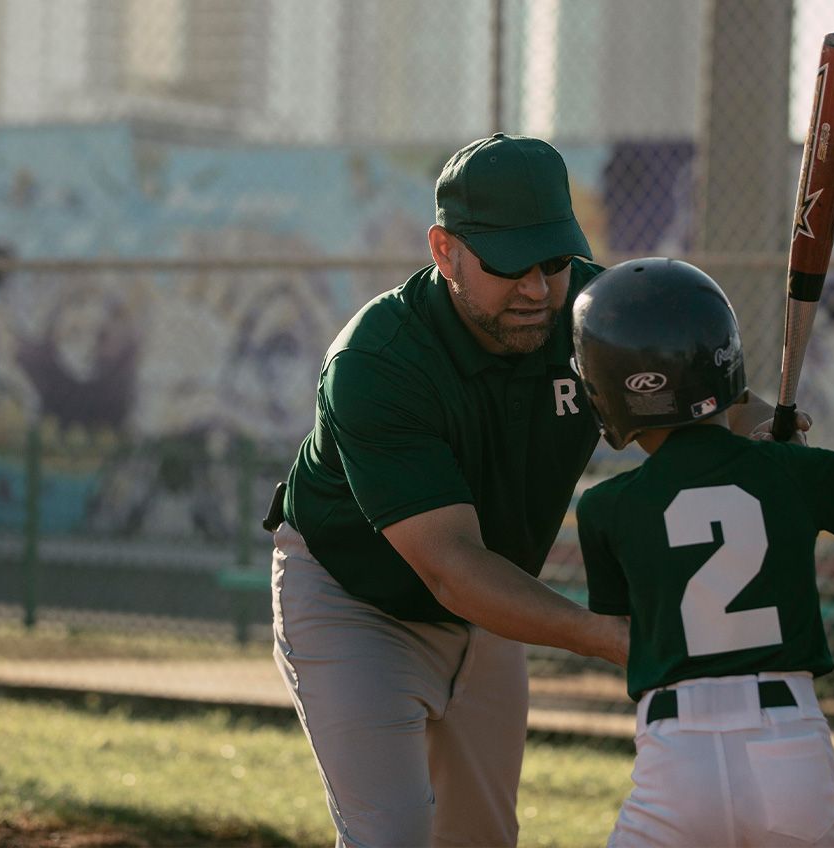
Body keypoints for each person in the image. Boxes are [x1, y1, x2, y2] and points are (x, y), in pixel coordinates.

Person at [268, 133, 797, 847]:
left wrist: (769, 432)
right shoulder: (376, 362)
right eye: (509, 264)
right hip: (355, 598)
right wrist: (611, 636)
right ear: (444, 251)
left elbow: (709, 409)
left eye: (552, 259)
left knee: (482, 839)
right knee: (391, 836)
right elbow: (450, 564)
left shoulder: (592, 312)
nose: (536, 288)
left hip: (491, 601)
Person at [571, 257, 834, 848]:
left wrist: (763, 444)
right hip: (787, 744)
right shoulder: (793, 472)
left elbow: (629, 628)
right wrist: (792, 457)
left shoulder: (603, 508)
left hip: (673, 751)